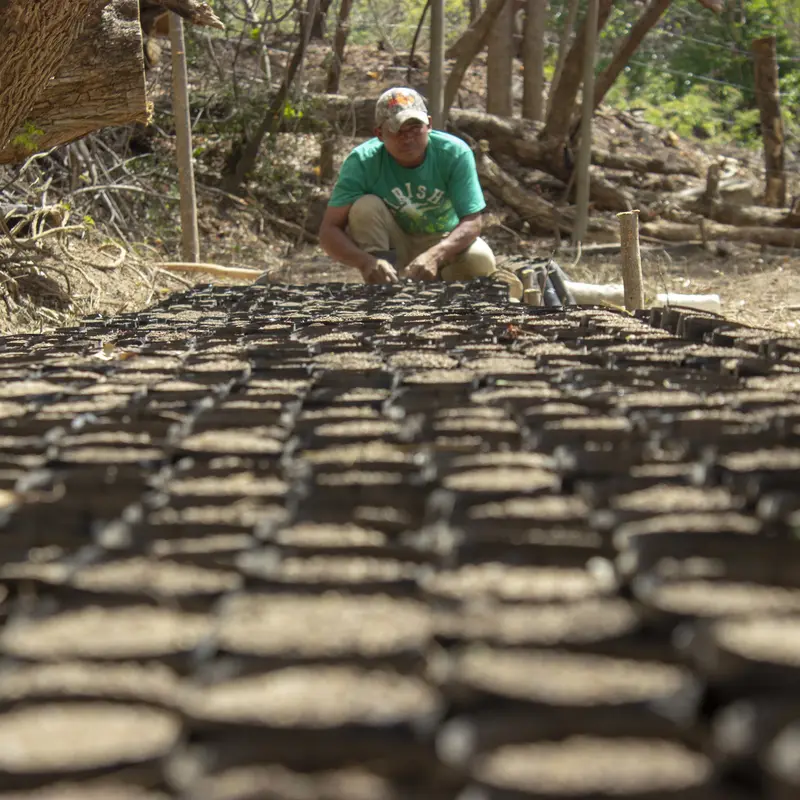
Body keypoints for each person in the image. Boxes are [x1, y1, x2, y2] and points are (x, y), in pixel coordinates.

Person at [318, 87, 500, 287]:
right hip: (395, 244)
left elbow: (473, 221)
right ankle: (384, 285)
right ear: (379, 133)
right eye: (397, 130)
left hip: (443, 240)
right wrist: (366, 262)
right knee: (364, 207)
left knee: (481, 259)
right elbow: (329, 230)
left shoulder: (454, 153)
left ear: (429, 125)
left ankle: (450, 293)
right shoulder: (362, 162)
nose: (408, 138)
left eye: (415, 128)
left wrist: (436, 254)